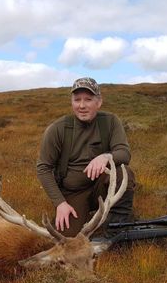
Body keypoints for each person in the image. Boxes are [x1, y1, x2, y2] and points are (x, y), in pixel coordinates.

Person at [36, 77, 136, 237]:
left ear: (99, 102)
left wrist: (105, 157)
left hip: (100, 186)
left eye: (88, 100)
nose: (82, 105)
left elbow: (124, 153)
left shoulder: (110, 122)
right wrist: (60, 203)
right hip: (72, 193)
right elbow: (43, 168)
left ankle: (118, 227)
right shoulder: (57, 129)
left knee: (123, 172)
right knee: (66, 240)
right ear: (72, 102)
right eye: (77, 100)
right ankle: (81, 213)